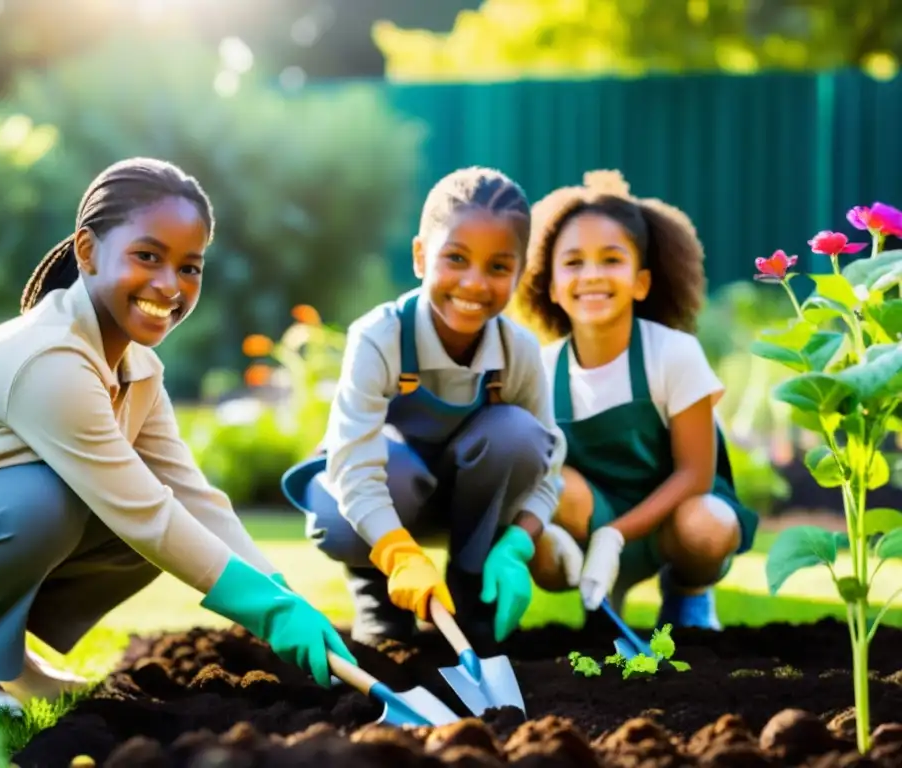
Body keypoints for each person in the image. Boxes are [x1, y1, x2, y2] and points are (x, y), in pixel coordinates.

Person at [0, 157, 355, 720]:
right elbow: (144, 511)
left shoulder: (138, 369)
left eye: (190, 267)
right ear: (87, 252)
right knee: (50, 499)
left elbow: (191, 497)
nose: (169, 285)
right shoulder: (51, 359)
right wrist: (268, 614)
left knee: (151, 518)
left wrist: (282, 593)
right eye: (147, 256)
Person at [281, 167, 567, 649]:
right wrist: (395, 553)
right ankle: (379, 598)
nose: (475, 284)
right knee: (367, 481)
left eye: (498, 267)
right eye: (456, 258)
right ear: (420, 256)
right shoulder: (381, 336)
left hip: (470, 506)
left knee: (517, 434)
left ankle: (471, 588)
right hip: (382, 497)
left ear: (519, 273)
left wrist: (520, 541)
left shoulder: (518, 351)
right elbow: (352, 465)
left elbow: (548, 467)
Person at [515, 170, 758, 630]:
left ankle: (689, 593)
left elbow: (696, 474)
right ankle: (604, 602)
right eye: (573, 263)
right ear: (549, 285)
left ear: (641, 282)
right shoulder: (542, 370)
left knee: (708, 526)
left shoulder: (673, 353)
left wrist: (616, 535)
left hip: (674, 515)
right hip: (592, 515)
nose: (591, 276)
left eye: (611, 260)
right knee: (544, 486)